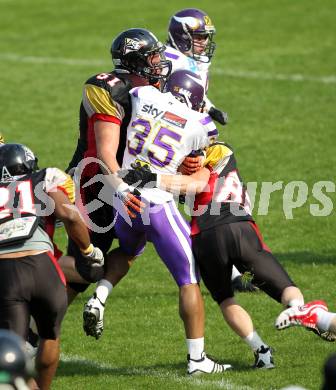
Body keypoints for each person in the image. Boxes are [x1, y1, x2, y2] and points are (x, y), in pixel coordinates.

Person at [121, 140, 336, 366]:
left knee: (225, 299)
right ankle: (301, 310)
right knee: (284, 287)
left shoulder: (189, 163)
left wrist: (152, 178)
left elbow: (190, 182)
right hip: (239, 227)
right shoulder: (219, 152)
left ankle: (262, 352)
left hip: (205, 237)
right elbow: (197, 177)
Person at [84, 69, 232, 375]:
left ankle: (99, 297)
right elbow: (194, 163)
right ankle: (197, 359)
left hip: (124, 198)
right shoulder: (202, 124)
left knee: (128, 251)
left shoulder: (142, 95)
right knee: (188, 278)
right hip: (158, 201)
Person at [62, 28, 171, 311]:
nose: (158, 63)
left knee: (132, 247)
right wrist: (121, 190)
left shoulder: (152, 91)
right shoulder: (109, 88)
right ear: (134, 61)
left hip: (130, 183)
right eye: (152, 58)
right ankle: (31, 291)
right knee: (84, 267)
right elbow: (104, 151)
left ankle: (47, 323)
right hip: (96, 184)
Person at [165, 9, 257, 292]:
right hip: (169, 143)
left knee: (202, 198)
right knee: (188, 201)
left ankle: (227, 271)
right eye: (199, 36)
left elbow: (191, 94)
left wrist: (210, 107)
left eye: (206, 37)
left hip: (185, 138)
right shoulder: (169, 61)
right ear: (182, 36)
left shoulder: (191, 61)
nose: (204, 42)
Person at [0, 143, 104, 389]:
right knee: (50, 337)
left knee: (10, 356)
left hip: (6, 274)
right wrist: (89, 251)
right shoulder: (43, 177)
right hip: (44, 267)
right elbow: (69, 215)